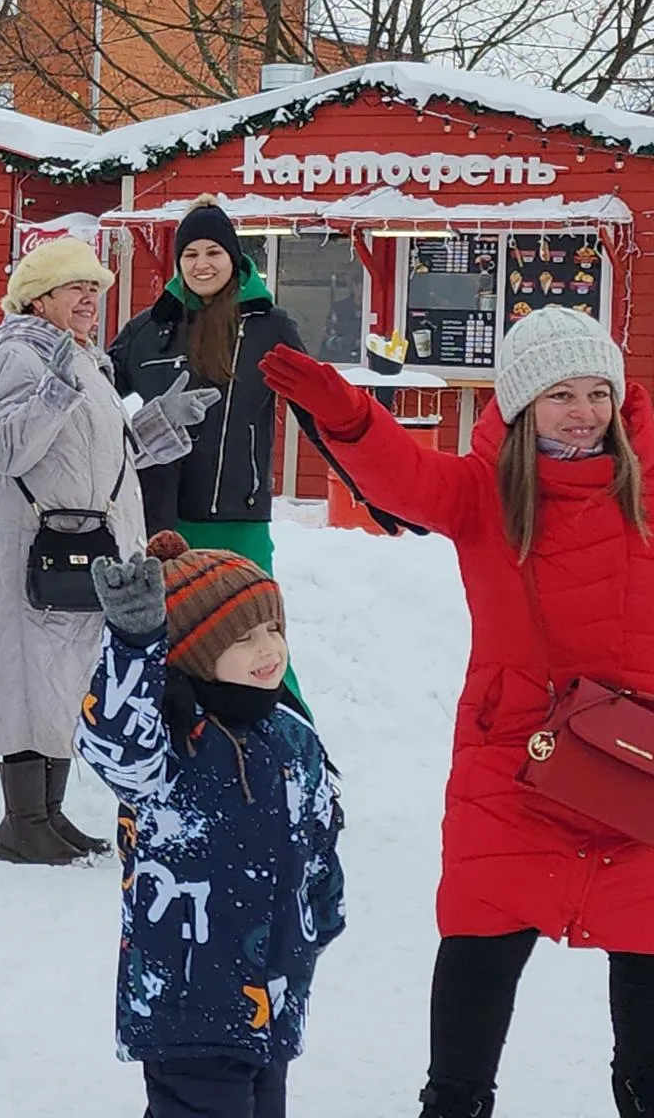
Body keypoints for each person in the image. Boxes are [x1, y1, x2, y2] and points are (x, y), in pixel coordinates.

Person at [261, 307, 654, 1118]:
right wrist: (345, 413)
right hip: (517, 759)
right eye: (559, 396)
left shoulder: (647, 480)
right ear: (517, 407)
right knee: (478, 950)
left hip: (640, 765)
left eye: (596, 394)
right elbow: (406, 478)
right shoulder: (485, 492)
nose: (583, 413)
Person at [78, 534, 345, 1118]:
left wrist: (323, 912)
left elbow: (318, 832)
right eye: (244, 639)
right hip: (187, 1000)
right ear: (197, 654)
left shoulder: (291, 734)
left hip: (273, 993)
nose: (268, 649)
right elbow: (112, 746)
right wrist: (133, 646)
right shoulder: (170, 747)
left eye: (272, 629)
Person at [0, 238, 216, 865]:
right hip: (36, 545)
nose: (89, 299)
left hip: (88, 543)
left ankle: (49, 815)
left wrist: (164, 419)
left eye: (94, 289)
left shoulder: (82, 357)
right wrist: (53, 387)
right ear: (38, 298)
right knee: (26, 677)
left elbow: (109, 454)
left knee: (66, 679)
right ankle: (21, 821)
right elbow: (5, 451)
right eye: (74, 287)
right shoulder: (15, 355)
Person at [110, 196, 311, 707]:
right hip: (165, 520)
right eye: (190, 254)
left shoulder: (269, 327)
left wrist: (369, 482)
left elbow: (320, 411)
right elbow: (97, 399)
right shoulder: (149, 330)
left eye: (213, 252)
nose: (202, 264)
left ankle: (291, 752)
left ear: (234, 258)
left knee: (257, 645)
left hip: (237, 521)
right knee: (176, 649)